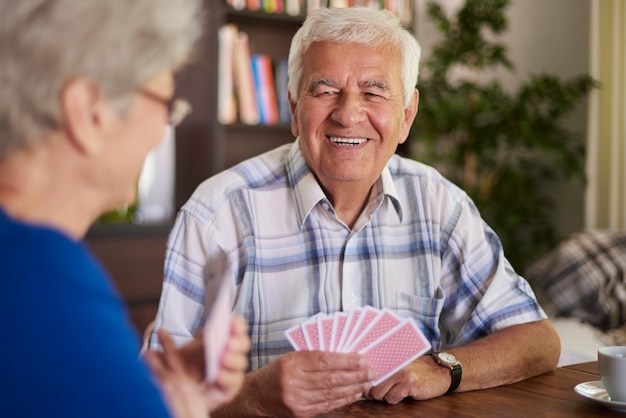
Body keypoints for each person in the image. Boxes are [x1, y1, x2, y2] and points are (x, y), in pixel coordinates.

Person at [149, 6, 561, 417]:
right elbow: (151, 393)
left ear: (406, 116)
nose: (348, 115)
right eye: (325, 90)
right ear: (294, 109)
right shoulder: (217, 213)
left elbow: (537, 340)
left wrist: (443, 368)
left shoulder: (440, 204)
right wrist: (254, 396)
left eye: (374, 91)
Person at [0, 1, 249, 417]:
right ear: (89, 111)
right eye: (166, 104)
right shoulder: (43, 278)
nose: (162, 130)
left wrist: (139, 392)